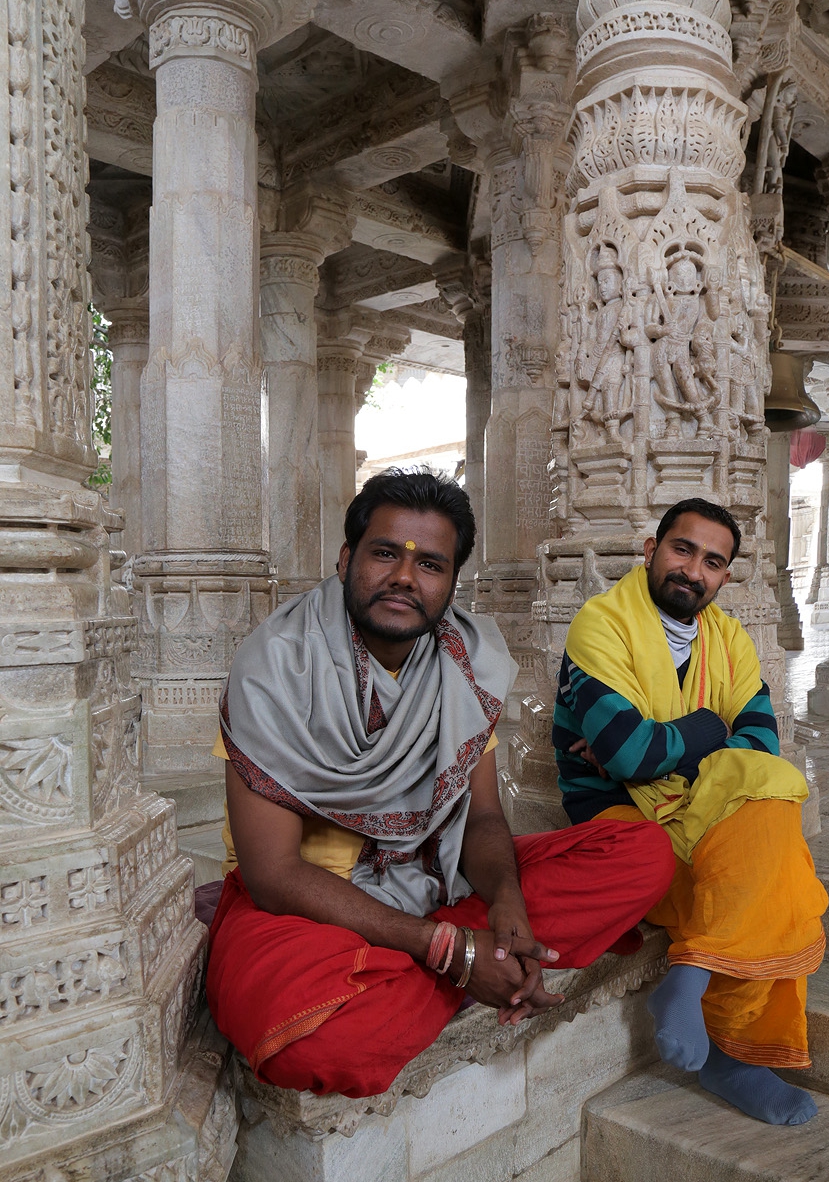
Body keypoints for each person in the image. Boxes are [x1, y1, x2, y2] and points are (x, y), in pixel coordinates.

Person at [205, 469, 672, 1098]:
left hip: (438, 880)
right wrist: (452, 953)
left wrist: (505, 901)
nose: (404, 577)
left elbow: (483, 819)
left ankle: (450, 960)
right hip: (311, 909)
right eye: (384, 554)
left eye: (430, 564)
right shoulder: (274, 667)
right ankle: (470, 965)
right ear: (345, 559)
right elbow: (273, 874)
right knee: (316, 1043)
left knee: (644, 854)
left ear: (451, 584)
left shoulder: (463, 661)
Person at [552, 496, 828, 1126]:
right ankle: (730, 1057)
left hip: (697, 805)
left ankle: (700, 975)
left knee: (771, 797)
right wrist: (710, 728)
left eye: (712, 562)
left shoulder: (728, 639)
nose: (693, 571)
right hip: (618, 814)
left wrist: (654, 748)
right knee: (769, 872)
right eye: (683, 550)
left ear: (724, 577)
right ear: (652, 551)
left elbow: (760, 744)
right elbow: (628, 757)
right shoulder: (602, 624)